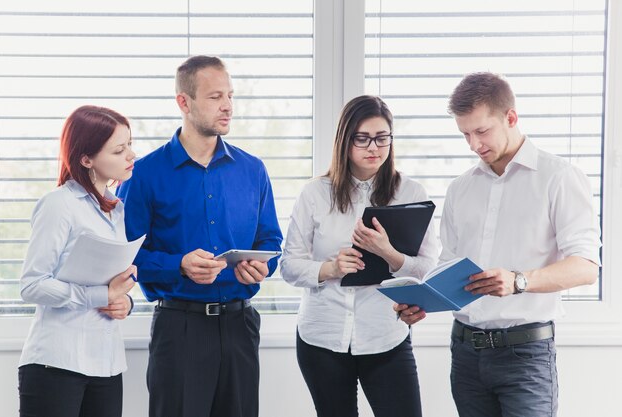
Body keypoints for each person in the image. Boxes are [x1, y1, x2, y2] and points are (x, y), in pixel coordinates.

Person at [398, 72, 601, 417]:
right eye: (465, 134)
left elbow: (586, 267)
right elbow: (450, 267)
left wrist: (519, 281)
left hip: (526, 356)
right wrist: (424, 303)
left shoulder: (559, 178)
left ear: (510, 117)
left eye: (482, 131)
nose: (474, 145)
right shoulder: (460, 189)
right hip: (465, 353)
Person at [116, 55, 283, 417]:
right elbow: (124, 258)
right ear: (184, 102)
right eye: (214, 97)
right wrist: (179, 265)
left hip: (240, 327)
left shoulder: (253, 169)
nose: (227, 106)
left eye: (230, 96)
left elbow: (271, 242)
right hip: (180, 330)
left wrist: (261, 267)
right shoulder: (143, 174)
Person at [280, 95, 439, 417]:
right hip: (321, 336)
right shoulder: (315, 193)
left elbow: (426, 268)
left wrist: (388, 253)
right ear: (345, 140)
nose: (374, 148)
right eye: (363, 138)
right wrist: (331, 268)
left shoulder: (411, 193)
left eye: (382, 138)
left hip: (385, 335)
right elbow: (288, 265)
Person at [18, 105, 137, 417]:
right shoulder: (58, 205)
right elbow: (32, 286)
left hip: (107, 364)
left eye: (130, 145)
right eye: (119, 150)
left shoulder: (116, 209)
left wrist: (123, 302)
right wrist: (100, 295)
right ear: (86, 159)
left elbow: (110, 282)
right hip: (56, 363)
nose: (131, 156)